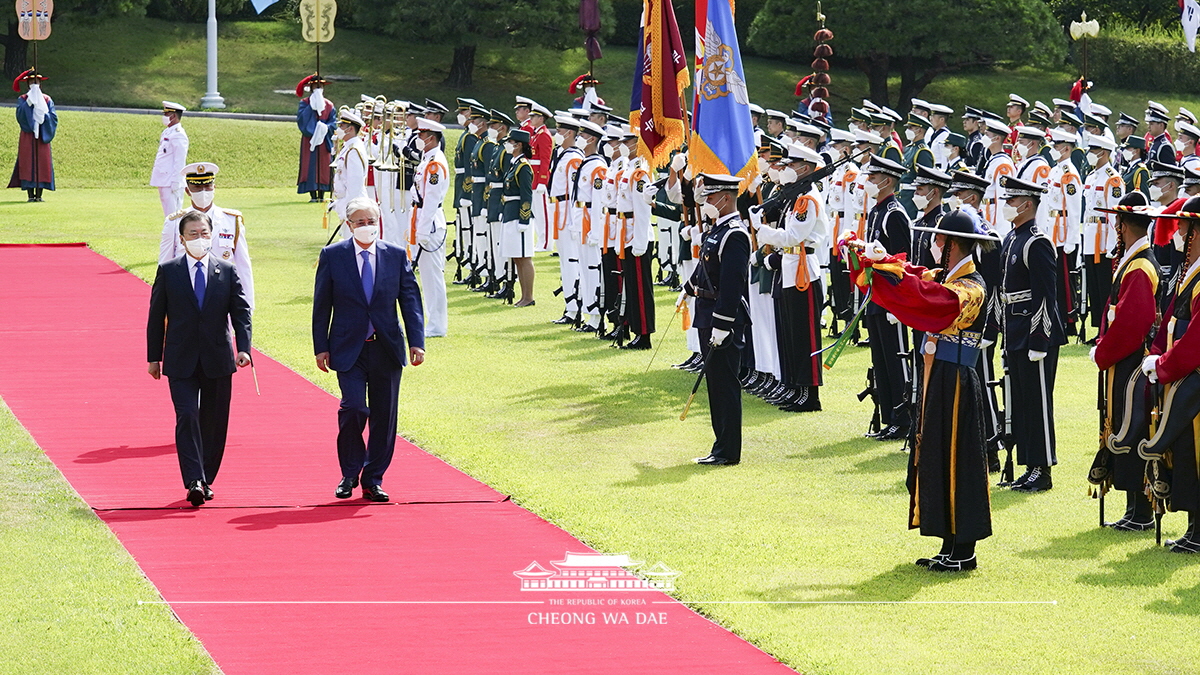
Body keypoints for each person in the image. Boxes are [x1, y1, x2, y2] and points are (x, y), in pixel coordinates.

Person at [844, 210, 998, 572]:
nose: (935, 245)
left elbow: (929, 299)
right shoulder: (949, 277)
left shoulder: (971, 287)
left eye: (940, 240)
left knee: (958, 460)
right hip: (939, 377)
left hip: (956, 379)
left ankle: (965, 550)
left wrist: (882, 267)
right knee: (937, 458)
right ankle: (949, 543)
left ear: (953, 244)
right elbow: (914, 278)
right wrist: (873, 259)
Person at [313, 197, 426, 503]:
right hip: (347, 347)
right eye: (360, 222)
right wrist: (320, 347)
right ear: (349, 226)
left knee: (384, 416)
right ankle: (349, 473)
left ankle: (373, 478)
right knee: (353, 408)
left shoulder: (394, 255)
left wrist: (417, 341)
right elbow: (322, 305)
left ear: (379, 223)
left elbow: (410, 301)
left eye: (371, 221)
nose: (366, 227)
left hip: (386, 347)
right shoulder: (333, 255)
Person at [147, 211, 252, 507]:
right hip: (180, 359)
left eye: (204, 233)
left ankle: (205, 477)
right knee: (187, 415)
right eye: (192, 234)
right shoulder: (168, 271)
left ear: (212, 236)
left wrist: (243, 348)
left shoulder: (227, 271)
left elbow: (240, 312)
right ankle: (193, 478)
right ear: (182, 239)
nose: (199, 239)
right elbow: (156, 317)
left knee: (214, 421)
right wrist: (154, 357)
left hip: (218, 358)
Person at [1087, 192, 1159, 531]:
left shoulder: (1141, 266)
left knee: (1133, 428)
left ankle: (1142, 511)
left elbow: (1132, 323)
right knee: (1120, 427)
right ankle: (1132, 506)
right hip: (1123, 363)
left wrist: (1103, 351)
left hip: (1132, 363)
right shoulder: (1133, 261)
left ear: (1124, 225)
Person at [994, 175, 1066, 493]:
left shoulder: (1037, 242)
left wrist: (1039, 339)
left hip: (1036, 336)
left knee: (1037, 403)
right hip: (1015, 330)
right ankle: (1029, 466)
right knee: (1021, 403)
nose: (1007, 205)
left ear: (1027, 204)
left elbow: (1046, 297)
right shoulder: (1012, 238)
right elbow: (1004, 291)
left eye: (1012, 201)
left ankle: (1044, 468)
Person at [1139, 196, 1200, 552]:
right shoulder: (1188, 272)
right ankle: (1193, 527)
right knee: (1186, 453)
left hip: (1193, 373)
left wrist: (1163, 365)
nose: (1176, 234)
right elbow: (1171, 325)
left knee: (1196, 453)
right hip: (1182, 372)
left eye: (1183, 228)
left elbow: (1195, 339)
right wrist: (1157, 354)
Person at [750, 143, 829, 412]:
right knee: (790, 335)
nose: (787, 169)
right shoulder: (796, 196)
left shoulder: (807, 199)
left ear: (805, 168)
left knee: (805, 336)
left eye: (792, 165)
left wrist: (762, 231)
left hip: (803, 271)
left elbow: (793, 237)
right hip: (791, 267)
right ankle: (795, 388)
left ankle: (810, 394)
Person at [683, 173, 752, 465]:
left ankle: (728, 451)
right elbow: (706, 267)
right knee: (716, 383)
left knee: (725, 384)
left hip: (722, 319)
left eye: (711, 197)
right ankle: (719, 445)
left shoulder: (735, 233)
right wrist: (688, 288)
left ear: (725, 198)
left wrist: (722, 324)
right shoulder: (717, 229)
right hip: (706, 312)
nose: (707, 202)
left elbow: (733, 284)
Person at [861, 154, 913, 440]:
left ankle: (901, 417)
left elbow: (903, 259)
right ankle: (887, 415)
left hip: (891, 297)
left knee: (895, 359)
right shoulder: (876, 211)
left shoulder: (894, 213)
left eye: (873, 177)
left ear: (888, 181)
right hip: (876, 294)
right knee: (880, 358)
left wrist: (899, 301)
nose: (868, 182)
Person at [159, 162, 255, 313]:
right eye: (197, 188)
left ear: (214, 188)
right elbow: (165, 264)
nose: (203, 192)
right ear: (188, 191)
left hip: (222, 296)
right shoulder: (175, 222)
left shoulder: (231, 220)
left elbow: (243, 266)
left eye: (207, 187)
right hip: (185, 294)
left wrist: (247, 306)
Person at [407, 118, 450, 338]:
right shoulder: (428, 159)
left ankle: (437, 325)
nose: (418, 139)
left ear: (430, 138)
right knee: (424, 275)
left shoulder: (435, 163)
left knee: (433, 276)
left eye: (421, 135)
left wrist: (422, 230)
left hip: (430, 223)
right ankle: (430, 321)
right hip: (421, 218)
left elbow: (431, 199)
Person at [8, 69, 56, 202]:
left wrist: (43, 116)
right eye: (31, 82)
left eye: (37, 82)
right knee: (27, 161)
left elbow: (53, 117)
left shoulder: (47, 99)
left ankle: (39, 194)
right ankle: (30, 194)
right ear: (27, 84)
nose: (34, 85)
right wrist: (28, 106)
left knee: (42, 162)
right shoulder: (23, 99)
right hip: (28, 135)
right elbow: (20, 115)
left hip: (42, 134)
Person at [501, 129, 537, 306]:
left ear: (519, 145)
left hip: (519, 216)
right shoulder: (513, 163)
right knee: (517, 257)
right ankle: (523, 296)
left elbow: (526, 195)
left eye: (511, 141)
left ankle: (528, 296)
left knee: (524, 257)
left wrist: (524, 219)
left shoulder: (523, 166)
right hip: (510, 213)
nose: (508, 144)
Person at [295, 75, 335, 202]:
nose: (318, 89)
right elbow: (302, 120)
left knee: (323, 164)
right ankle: (312, 193)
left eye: (320, 86)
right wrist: (311, 111)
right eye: (315, 86)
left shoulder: (329, 105)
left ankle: (322, 193)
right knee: (310, 164)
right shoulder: (305, 103)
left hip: (324, 139)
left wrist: (324, 127)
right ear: (311, 88)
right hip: (310, 139)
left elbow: (333, 122)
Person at [331, 109, 369, 239]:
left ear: (350, 129)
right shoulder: (348, 147)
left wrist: (348, 211)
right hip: (345, 202)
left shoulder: (354, 150)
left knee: (352, 242)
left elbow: (355, 185)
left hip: (353, 205)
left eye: (342, 126)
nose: (338, 129)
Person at [151, 102, 189, 217]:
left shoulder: (179, 134)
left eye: (167, 114)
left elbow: (180, 160)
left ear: (173, 116)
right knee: (168, 214)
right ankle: (170, 233)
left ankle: (175, 234)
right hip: (164, 179)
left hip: (171, 180)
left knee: (174, 214)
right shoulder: (168, 131)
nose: (164, 117)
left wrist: (176, 181)